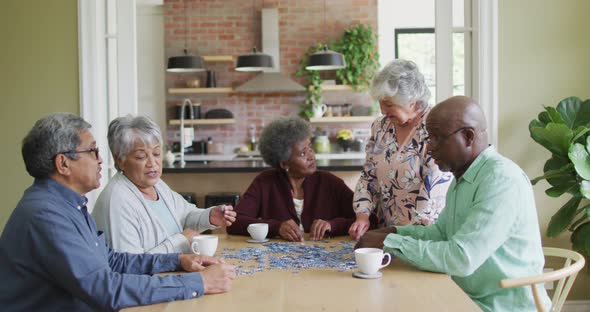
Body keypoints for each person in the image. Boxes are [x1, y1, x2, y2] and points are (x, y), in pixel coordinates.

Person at [0, 113, 236, 311]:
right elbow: (105, 288)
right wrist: (198, 283)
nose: (101, 160)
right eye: (92, 152)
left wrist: (178, 260)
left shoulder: (68, 204)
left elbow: (111, 260)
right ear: (63, 164)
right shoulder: (47, 215)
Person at [355, 96, 551, 312]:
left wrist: (391, 242)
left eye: (436, 139)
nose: (428, 148)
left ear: (468, 137)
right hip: (463, 297)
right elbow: (441, 233)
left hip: (499, 307)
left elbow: (461, 259)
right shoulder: (463, 177)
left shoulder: (501, 180)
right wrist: (394, 232)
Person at [92, 115, 236, 254]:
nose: (152, 163)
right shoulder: (117, 201)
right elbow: (130, 265)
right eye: (141, 157)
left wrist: (209, 216)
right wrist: (181, 241)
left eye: (156, 154)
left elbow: (185, 216)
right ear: (120, 160)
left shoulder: (157, 185)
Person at [348, 59, 453, 240]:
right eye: (380, 103)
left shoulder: (435, 127)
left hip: (424, 236)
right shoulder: (380, 127)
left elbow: (432, 189)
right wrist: (362, 215)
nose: (383, 111)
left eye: (388, 104)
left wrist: (406, 237)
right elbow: (368, 175)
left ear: (411, 101)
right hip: (387, 233)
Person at [227, 116, 357, 241]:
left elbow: (369, 219)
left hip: (326, 255)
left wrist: (332, 225)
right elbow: (234, 222)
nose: (311, 156)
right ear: (284, 163)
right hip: (277, 259)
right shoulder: (265, 182)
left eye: (310, 148)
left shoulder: (329, 182)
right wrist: (276, 228)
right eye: (303, 153)